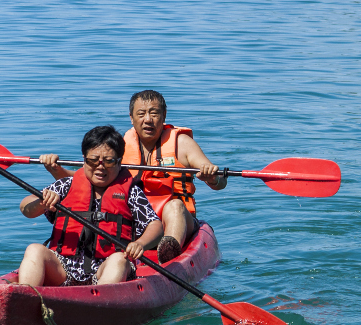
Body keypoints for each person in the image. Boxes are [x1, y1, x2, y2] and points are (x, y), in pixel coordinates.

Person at [16, 124, 163, 287]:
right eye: (93, 160)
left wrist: (140, 244)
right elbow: (26, 209)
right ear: (84, 160)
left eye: (109, 161)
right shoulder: (66, 185)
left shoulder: (131, 192)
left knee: (119, 259)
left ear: (119, 162)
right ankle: (27, 294)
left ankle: (100, 301)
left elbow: (155, 225)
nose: (100, 167)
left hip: (106, 268)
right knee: (34, 249)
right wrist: (41, 202)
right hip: (63, 268)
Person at [121, 89, 225, 263]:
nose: (148, 119)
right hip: (139, 222)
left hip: (178, 220)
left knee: (174, 206)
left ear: (164, 115)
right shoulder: (120, 146)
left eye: (154, 113)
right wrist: (58, 171)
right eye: (141, 114)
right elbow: (91, 176)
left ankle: (170, 254)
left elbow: (220, 183)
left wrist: (212, 178)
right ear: (131, 118)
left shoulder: (182, 143)